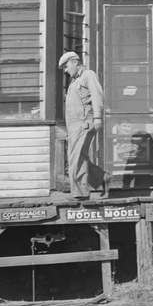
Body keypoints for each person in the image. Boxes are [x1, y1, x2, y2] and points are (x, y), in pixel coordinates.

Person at [59, 51, 104, 199]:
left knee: (76, 157)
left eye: (66, 66)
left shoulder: (88, 75)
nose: (66, 71)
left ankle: (80, 193)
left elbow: (97, 95)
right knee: (77, 156)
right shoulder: (75, 81)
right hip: (74, 127)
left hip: (84, 124)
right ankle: (102, 178)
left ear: (75, 62)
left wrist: (97, 117)